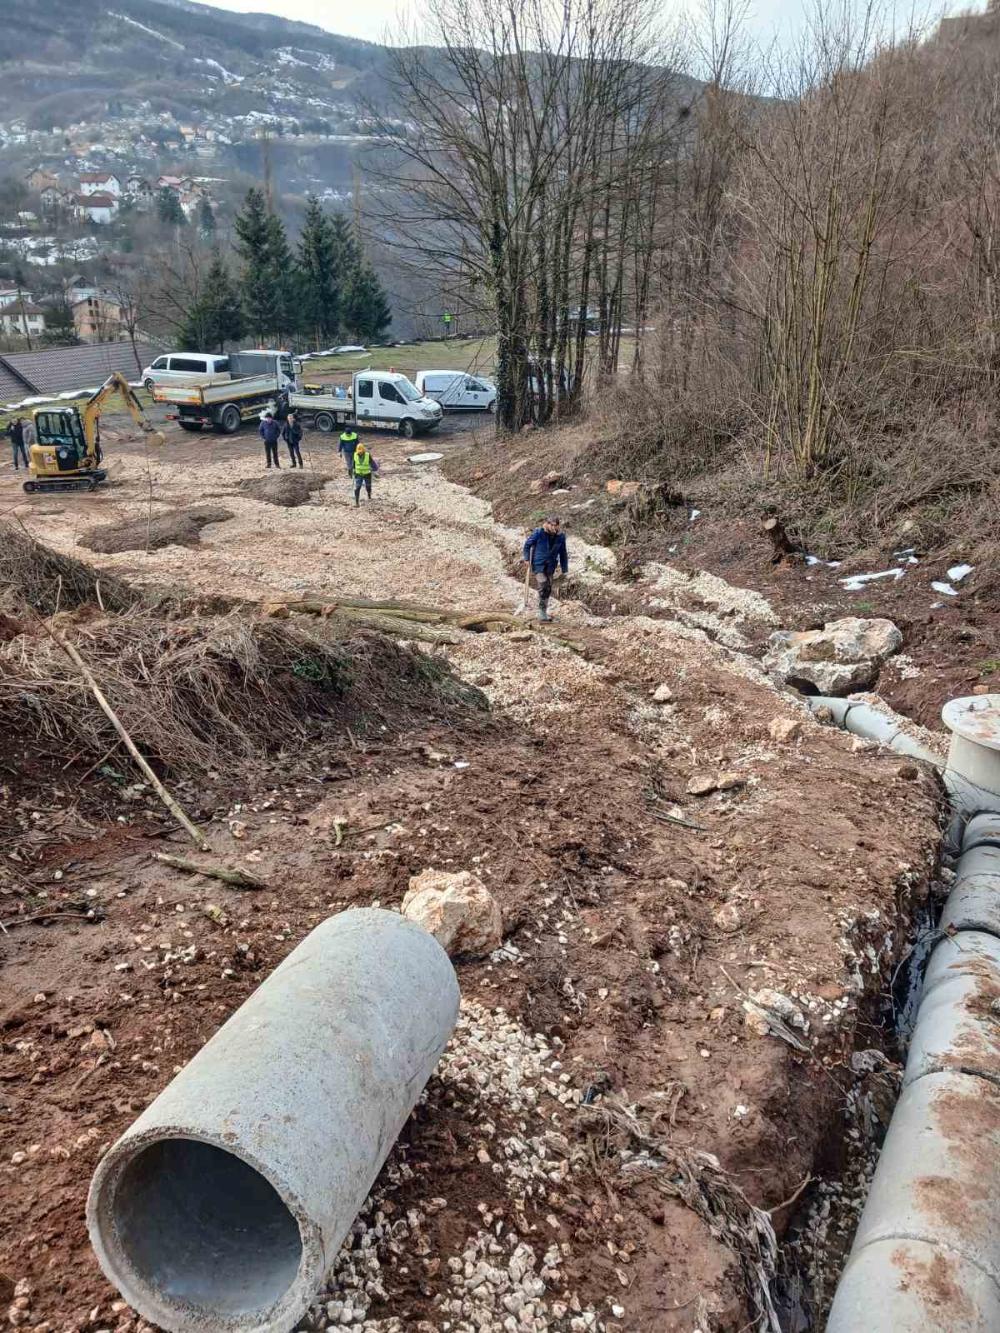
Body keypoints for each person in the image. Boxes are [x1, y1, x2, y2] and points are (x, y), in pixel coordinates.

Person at [523, 516, 569, 622]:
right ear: (547, 524)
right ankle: (541, 611)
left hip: (551, 565)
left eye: (556, 526)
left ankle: (543, 611)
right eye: (552, 525)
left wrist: (564, 568)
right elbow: (527, 545)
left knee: (548, 588)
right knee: (543, 583)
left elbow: (563, 553)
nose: (554, 528)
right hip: (538, 564)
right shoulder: (539, 533)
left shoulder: (560, 537)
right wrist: (526, 559)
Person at [352, 441, 378, 506]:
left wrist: (375, 468)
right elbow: (354, 464)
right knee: (357, 487)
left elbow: (372, 463)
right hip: (358, 474)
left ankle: (369, 495)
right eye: (359, 452)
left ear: (363, 450)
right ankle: (357, 502)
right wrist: (352, 470)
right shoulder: (355, 455)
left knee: (368, 486)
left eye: (361, 452)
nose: (360, 453)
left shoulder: (367, 455)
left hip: (367, 474)